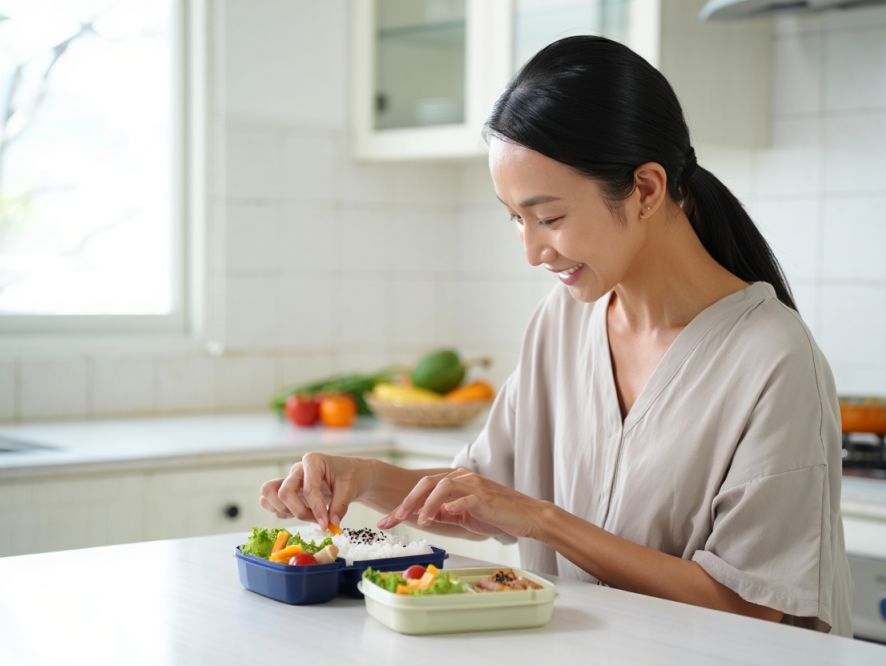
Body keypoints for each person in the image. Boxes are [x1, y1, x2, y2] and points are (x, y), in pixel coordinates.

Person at [259, 35, 853, 636]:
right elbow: (478, 499)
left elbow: (747, 606)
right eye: (517, 218)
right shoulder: (562, 321)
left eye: (550, 218)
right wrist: (362, 478)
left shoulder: (774, 358)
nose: (532, 249)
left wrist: (540, 520)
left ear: (645, 189)